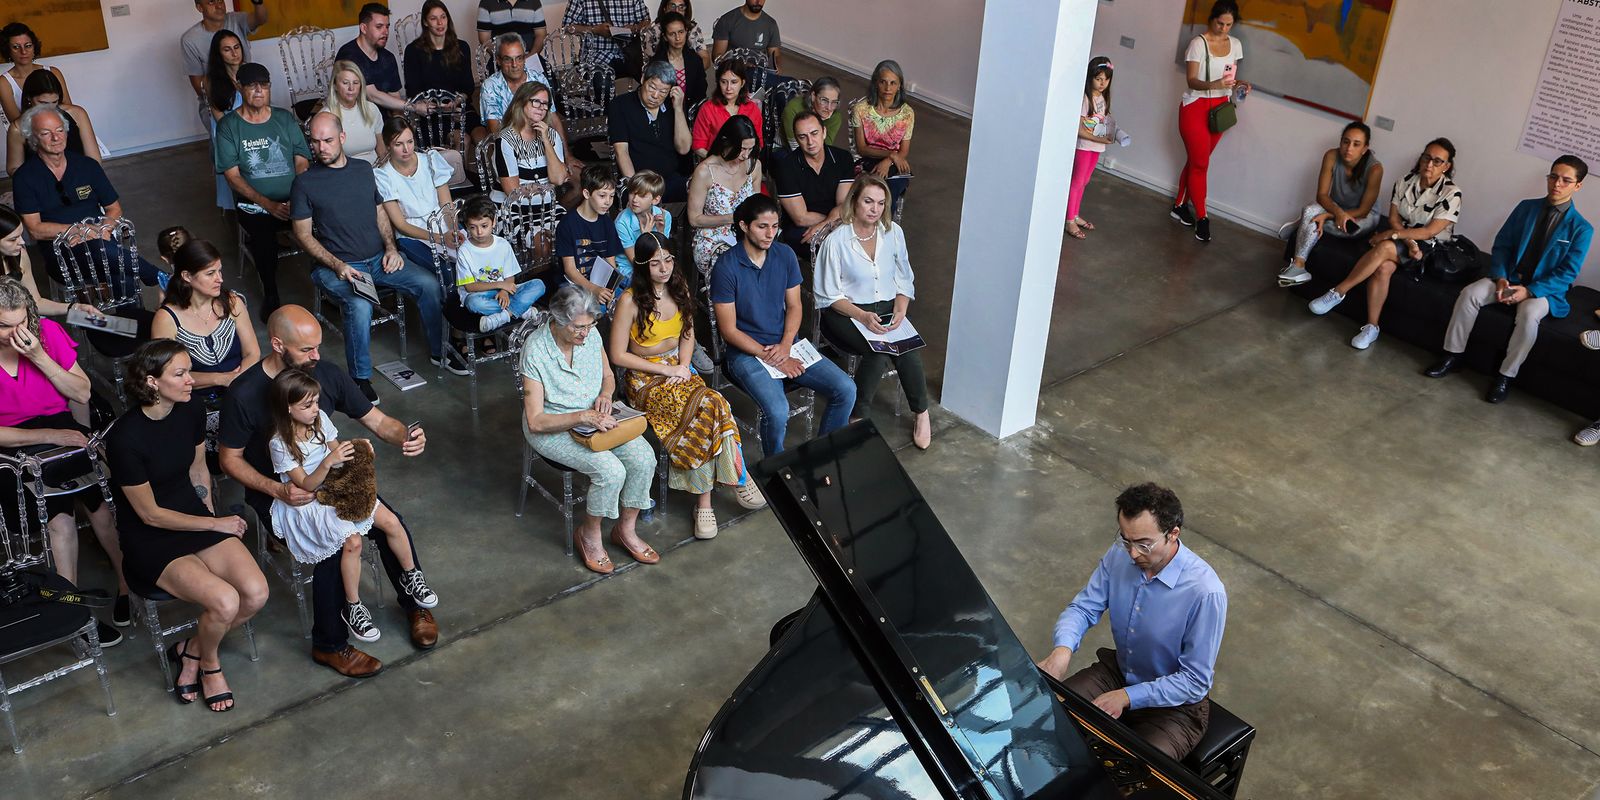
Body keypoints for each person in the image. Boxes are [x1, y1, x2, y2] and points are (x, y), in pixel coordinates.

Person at [219, 305, 437, 676]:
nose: (316, 357)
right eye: (306, 350)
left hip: (328, 479)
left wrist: (407, 436)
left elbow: (377, 420)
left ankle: (413, 601)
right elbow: (230, 460)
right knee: (334, 552)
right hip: (282, 494)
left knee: (388, 521)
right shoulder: (244, 393)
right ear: (277, 344)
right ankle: (330, 644)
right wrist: (277, 490)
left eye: (318, 347)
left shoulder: (323, 375)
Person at [107, 340, 269, 712]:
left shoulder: (190, 407)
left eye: (189, 371)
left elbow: (197, 468)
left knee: (256, 593)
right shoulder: (125, 438)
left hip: (192, 514)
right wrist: (213, 524)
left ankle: (192, 650)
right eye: (180, 374)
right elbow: (150, 514)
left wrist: (213, 519)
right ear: (151, 382)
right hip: (151, 537)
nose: (190, 381)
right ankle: (210, 665)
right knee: (225, 601)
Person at [1037, 483, 1227, 761]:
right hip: (1120, 672)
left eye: (1143, 544)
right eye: (1126, 540)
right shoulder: (1120, 556)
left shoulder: (1205, 592)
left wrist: (1127, 697)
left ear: (1173, 534)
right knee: (1047, 720)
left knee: (1130, 776)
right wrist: (1062, 651)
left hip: (1176, 708)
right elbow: (1083, 607)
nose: (1133, 553)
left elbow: (1194, 681)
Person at [292, 111, 459, 403]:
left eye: (328, 140)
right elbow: (304, 235)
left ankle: (439, 351)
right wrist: (337, 265)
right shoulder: (305, 183)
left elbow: (380, 211)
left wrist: (392, 248)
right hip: (336, 267)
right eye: (315, 142)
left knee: (430, 284)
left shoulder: (362, 169)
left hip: (379, 260)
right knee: (359, 304)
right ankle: (360, 379)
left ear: (342, 138)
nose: (321, 148)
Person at [609, 232, 764, 538]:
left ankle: (706, 500)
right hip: (645, 379)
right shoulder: (629, 301)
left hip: (678, 370)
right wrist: (663, 370)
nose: (664, 268)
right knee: (708, 407)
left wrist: (682, 364)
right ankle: (735, 481)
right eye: (655, 263)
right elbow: (617, 355)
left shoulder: (679, 290)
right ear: (642, 266)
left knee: (713, 403)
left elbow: (688, 334)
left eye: (668, 259)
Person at [267, 367, 437, 643]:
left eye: (316, 401)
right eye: (307, 405)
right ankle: (353, 605)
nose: (315, 409)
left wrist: (357, 448)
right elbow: (306, 484)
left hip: (336, 485)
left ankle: (411, 577)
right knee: (353, 542)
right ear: (287, 408)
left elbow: (339, 450)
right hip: (310, 501)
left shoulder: (319, 419)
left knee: (391, 521)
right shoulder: (280, 443)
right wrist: (329, 461)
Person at [0, 277, 125, 646]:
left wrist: (38, 355)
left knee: (102, 507)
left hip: (61, 426)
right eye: (5, 326)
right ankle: (72, 612)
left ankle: (127, 584)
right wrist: (48, 437)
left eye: (22, 322)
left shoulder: (46, 333)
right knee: (59, 520)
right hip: (16, 444)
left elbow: (81, 391)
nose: (15, 333)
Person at [1424, 156, 1591, 403]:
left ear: (1577, 186)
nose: (1557, 184)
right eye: (1553, 176)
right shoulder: (1526, 207)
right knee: (1470, 294)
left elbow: (1567, 273)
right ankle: (1453, 356)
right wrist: (1501, 278)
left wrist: (1529, 291)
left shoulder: (1582, 228)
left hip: (1544, 291)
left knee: (1529, 315)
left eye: (1566, 180)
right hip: (1509, 277)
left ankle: (1505, 377)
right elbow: (1502, 245)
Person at [521, 285, 660, 574]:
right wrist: (582, 416)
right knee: (611, 472)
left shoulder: (590, 335)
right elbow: (536, 420)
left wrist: (606, 396)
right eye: (578, 327)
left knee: (645, 458)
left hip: (597, 416)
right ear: (558, 321)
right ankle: (589, 534)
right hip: (554, 426)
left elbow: (608, 377)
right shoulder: (536, 350)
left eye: (590, 325)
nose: (586, 333)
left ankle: (625, 529)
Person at [711, 194, 855, 453]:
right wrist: (774, 357)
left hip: (787, 344)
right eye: (762, 226)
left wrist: (786, 345)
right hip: (746, 353)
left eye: (775, 226)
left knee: (846, 389)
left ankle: (824, 456)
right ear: (744, 226)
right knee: (778, 411)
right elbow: (729, 330)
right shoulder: (727, 266)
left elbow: (795, 306)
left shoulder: (784, 254)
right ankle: (775, 471)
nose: (770, 234)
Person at [1308, 138, 1463, 350]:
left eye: (1437, 161)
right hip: (1404, 240)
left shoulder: (1451, 193)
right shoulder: (1406, 180)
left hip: (1430, 248)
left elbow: (1430, 231)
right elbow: (1393, 218)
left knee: (1385, 247)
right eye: (1427, 157)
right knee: (1383, 267)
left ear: (1447, 166)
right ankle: (1372, 328)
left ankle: (1338, 292)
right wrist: (1404, 238)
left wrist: (1394, 235)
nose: (1429, 164)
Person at [814, 176, 931, 449]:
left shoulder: (893, 233)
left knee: (907, 349)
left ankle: (921, 413)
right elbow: (828, 295)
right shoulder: (837, 241)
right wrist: (862, 316)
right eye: (868, 201)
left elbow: (904, 278)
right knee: (878, 350)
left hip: (889, 307)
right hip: (846, 311)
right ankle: (858, 415)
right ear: (854, 201)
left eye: (880, 203)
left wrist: (901, 309)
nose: (874, 209)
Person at [11, 105, 165, 291]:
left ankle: (134, 318)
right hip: (63, 256)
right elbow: (35, 229)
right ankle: (160, 277)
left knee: (120, 273)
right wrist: (80, 231)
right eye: (46, 133)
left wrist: (103, 228)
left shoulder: (87, 165)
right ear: (32, 138)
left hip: (104, 246)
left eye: (60, 130)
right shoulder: (25, 177)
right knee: (103, 253)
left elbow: (114, 208)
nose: (56, 137)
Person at [216, 62, 312, 318]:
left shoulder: (283, 118)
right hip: (255, 203)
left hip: (294, 197)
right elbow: (233, 177)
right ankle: (271, 294)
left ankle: (330, 287)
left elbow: (302, 158)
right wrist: (268, 203)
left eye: (264, 85)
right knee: (263, 236)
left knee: (327, 222)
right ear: (240, 87)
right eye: (252, 86)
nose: (259, 91)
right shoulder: (229, 126)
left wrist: (297, 195)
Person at [152, 240, 261, 459]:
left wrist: (237, 381)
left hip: (241, 387)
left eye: (219, 271)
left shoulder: (232, 302)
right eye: (210, 273)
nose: (220, 278)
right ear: (186, 276)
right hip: (196, 399)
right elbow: (167, 377)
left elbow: (253, 352)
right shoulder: (167, 318)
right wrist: (221, 379)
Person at [1170, 1, 1249, 244]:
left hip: (1220, 111)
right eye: (1220, 23)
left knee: (1196, 161)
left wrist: (1240, 84)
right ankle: (1203, 218)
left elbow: (1230, 78)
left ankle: (1179, 205)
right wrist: (1215, 85)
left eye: (1229, 24)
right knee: (1201, 164)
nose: (1224, 28)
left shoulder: (1235, 45)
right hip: (1195, 108)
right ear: (1211, 19)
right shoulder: (1197, 44)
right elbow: (1191, 81)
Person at [1277, 122, 1385, 286]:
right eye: (1345, 142)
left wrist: (1330, 214)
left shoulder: (1375, 169)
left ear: (1365, 148)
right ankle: (1299, 267)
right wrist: (1338, 212)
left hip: (1364, 215)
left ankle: (1304, 222)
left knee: (1349, 229)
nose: (1349, 148)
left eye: (1356, 144)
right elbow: (1321, 195)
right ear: (1340, 142)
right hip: (1337, 206)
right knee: (1312, 209)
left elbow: (1363, 211)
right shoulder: (1331, 156)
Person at [375, 115, 458, 272]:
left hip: (442, 222)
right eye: (398, 144)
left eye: (410, 142)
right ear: (388, 146)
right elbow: (401, 224)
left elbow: (447, 205)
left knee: (471, 258)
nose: (406, 149)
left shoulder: (431, 160)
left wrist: (452, 230)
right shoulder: (383, 176)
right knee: (446, 271)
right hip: (412, 234)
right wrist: (440, 239)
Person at [456, 195, 545, 330]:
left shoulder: (502, 244)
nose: (479, 232)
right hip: (481, 294)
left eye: (484, 226)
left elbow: (510, 276)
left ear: (494, 222)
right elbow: (469, 287)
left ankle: (505, 315)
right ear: (467, 226)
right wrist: (500, 284)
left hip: (506, 290)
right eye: (473, 227)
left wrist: (504, 290)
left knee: (539, 285)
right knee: (474, 303)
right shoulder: (465, 251)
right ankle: (521, 310)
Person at [607, 60, 692, 202]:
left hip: (671, 178)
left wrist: (678, 108)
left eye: (663, 92)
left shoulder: (672, 104)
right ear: (642, 79)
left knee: (703, 190)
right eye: (652, 88)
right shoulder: (620, 105)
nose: (655, 95)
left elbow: (683, 148)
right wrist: (635, 188)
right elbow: (621, 152)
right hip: (641, 181)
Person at [1, 205, 103, 319]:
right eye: (12, 239)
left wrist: (74, 307)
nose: (22, 242)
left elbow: (36, 302)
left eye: (20, 235)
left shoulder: (19, 255)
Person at [690, 115, 761, 275]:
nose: (746, 155)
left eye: (750, 149)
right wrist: (732, 218)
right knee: (733, 265)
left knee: (772, 257)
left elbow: (756, 205)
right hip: (713, 235)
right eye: (742, 149)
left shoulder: (753, 165)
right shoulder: (705, 171)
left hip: (746, 231)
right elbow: (694, 219)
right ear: (727, 142)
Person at [775, 110, 852, 251]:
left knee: (856, 241)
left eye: (814, 133)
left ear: (824, 132)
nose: (810, 142)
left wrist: (828, 223)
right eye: (803, 137)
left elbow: (843, 205)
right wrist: (835, 220)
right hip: (800, 228)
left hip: (836, 221)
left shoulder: (843, 158)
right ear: (797, 140)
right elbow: (800, 217)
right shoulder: (786, 166)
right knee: (834, 247)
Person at [5, 69, 100, 175]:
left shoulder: (78, 114)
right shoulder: (17, 128)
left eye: (54, 102)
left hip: (80, 176)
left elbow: (94, 159)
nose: (50, 108)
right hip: (40, 182)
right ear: (29, 99)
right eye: (43, 103)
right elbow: (14, 168)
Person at [851, 60, 915, 213]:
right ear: (875, 83)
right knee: (868, 194)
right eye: (883, 82)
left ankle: (883, 233)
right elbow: (862, 148)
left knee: (887, 198)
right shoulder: (861, 109)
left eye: (893, 83)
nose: (888, 88)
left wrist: (889, 161)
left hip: (896, 165)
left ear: (899, 85)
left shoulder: (907, 113)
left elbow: (904, 151)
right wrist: (892, 154)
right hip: (867, 161)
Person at [491, 81, 569, 203]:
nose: (541, 108)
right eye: (536, 101)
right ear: (521, 102)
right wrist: (541, 190)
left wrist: (546, 141)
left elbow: (558, 179)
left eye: (545, 104)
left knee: (568, 222)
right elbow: (512, 192)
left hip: (546, 207)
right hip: (513, 209)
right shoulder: (506, 140)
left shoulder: (552, 135)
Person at [556, 164, 624, 304]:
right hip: (575, 284)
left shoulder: (607, 223)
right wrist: (594, 289)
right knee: (581, 306)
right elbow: (570, 270)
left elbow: (611, 263)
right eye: (602, 196)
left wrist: (610, 290)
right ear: (586, 194)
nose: (608, 202)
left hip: (602, 282)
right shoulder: (567, 224)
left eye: (611, 196)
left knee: (628, 298)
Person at [180, 0, 266, 110]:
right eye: (211, 2)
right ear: (199, 7)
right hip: (217, 102)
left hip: (249, 93)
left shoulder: (236, 19)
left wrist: (258, 2)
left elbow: (261, 19)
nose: (218, 5)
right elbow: (199, 87)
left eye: (220, 0)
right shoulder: (190, 39)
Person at [1066, 57, 1115, 241]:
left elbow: (1102, 120)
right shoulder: (1085, 99)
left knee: (1085, 181)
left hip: (1097, 146)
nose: (1103, 83)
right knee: (1077, 181)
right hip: (1085, 146)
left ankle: (1075, 214)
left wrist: (1110, 132)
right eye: (1098, 79)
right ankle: (1070, 219)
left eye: (1106, 79)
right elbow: (1079, 130)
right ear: (1090, 78)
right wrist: (1099, 138)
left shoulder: (1102, 98)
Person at [203, 30, 247, 210]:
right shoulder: (211, 80)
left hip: (251, 125)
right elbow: (219, 119)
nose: (234, 53)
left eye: (237, 47)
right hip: (227, 132)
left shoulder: (250, 72)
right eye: (227, 49)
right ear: (218, 54)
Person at [405, 0, 476, 109]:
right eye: (433, 18)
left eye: (443, 17)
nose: (440, 22)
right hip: (429, 111)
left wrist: (456, 103)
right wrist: (440, 107)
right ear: (425, 22)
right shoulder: (413, 51)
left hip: (458, 107)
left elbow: (468, 87)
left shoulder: (462, 47)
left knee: (480, 127)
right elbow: (413, 90)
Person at [479, 33, 552, 136]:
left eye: (519, 58)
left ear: (524, 58)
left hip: (540, 139)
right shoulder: (490, 86)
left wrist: (565, 150)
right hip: (507, 145)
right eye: (508, 59)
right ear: (498, 61)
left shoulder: (538, 79)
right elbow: (494, 130)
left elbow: (552, 115)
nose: (514, 65)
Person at [690, 58, 762, 159]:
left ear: (742, 83)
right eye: (724, 82)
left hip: (744, 163)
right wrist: (719, 162)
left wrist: (745, 159)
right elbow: (698, 146)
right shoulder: (708, 108)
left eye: (734, 82)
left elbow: (758, 145)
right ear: (718, 82)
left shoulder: (752, 109)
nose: (728, 88)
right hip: (715, 164)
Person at [2, 22, 71, 124]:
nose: (23, 51)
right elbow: (17, 125)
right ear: (8, 50)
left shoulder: (53, 72)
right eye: (16, 47)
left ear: (34, 47)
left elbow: (69, 110)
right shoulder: (4, 83)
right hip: (30, 136)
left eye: (28, 46)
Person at [615, 171, 673, 282]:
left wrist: (660, 233)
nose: (634, 199)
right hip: (630, 268)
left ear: (655, 200)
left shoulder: (665, 216)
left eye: (641, 195)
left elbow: (663, 254)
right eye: (632, 192)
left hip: (656, 263)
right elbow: (636, 263)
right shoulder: (622, 222)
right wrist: (645, 238)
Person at [561, 0, 650, 73]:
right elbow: (566, 28)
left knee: (652, 76)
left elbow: (647, 22)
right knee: (601, 85)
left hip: (630, 52)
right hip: (597, 55)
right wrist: (595, 30)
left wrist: (635, 28)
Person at [326, 61, 387, 164]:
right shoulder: (327, 116)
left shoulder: (371, 109)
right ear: (335, 85)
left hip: (376, 170)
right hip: (346, 174)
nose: (351, 88)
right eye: (345, 83)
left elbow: (382, 150)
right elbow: (328, 160)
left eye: (356, 82)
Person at [711, 0, 782, 78]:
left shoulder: (771, 24)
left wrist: (777, 66)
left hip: (760, 72)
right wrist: (740, 65)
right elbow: (717, 56)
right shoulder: (727, 20)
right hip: (734, 72)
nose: (758, 1)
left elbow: (775, 55)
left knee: (790, 83)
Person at [651, 11, 707, 109]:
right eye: (672, 34)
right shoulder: (657, 62)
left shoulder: (694, 59)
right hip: (665, 113)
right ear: (665, 37)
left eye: (681, 32)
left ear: (686, 32)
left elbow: (701, 91)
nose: (678, 38)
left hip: (692, 112)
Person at [779, 76, 842, 150]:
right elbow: (795, 147)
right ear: (813, 96)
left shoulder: (835, 117)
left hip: (813, 153)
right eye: (824, 100)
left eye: (834, 102)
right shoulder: (793, 108)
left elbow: (825, 147)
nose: (829, 107)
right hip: (785, 147)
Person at [641, 1, 709, 68]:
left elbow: (705, 58)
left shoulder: (693, 29)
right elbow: (649, 65)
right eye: (672, 6)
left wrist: (691, 73)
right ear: (665, 9)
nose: (676, 11)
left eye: (681, 7)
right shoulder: (653, 31)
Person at [476, 0, 547, 54]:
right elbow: (484, 39)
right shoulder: (486, 2)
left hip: (530, 56)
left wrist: (531, 56)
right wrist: (502, 58)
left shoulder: (534, 2)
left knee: (547, 73)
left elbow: (541, 35)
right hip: (500, 59)